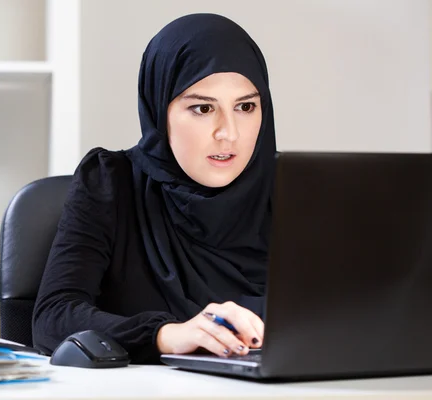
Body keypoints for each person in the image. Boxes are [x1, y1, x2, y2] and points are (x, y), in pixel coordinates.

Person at [32, 12, 277, 364]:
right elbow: (52, 317)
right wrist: (168, 335)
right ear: (159, 109)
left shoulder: (294, 190)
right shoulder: (110, 183)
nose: (229, 133)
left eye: (245, 106)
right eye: (203, 108)